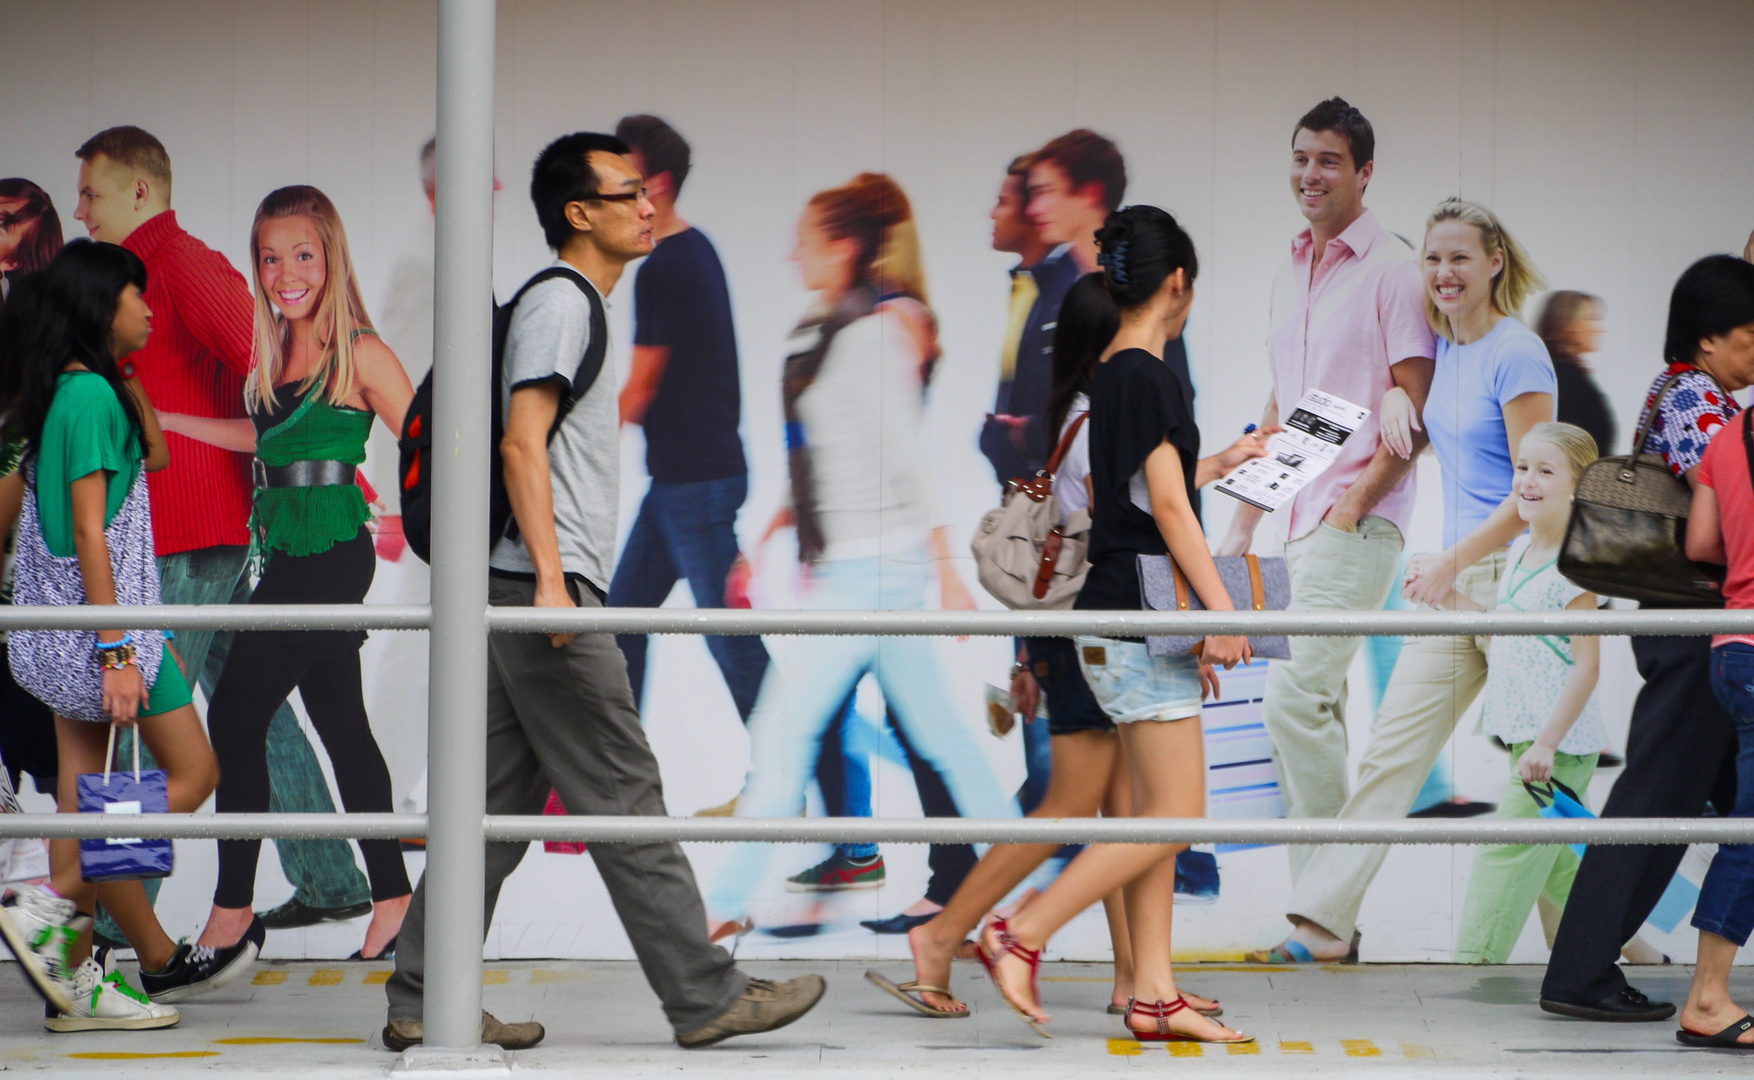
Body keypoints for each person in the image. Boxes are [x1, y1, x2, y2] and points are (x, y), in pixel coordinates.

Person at [384, 132, 824, 1051]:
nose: (647, 205)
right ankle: (705, 997)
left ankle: (421, 999)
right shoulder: (563, 302)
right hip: (544, 592)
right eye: (627, 193)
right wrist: (552, 583)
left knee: (494, 820)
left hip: (527, 585)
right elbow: (520, 442)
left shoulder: (578, 303)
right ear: (579, 213)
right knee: (626, 794)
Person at [873, 271, 1260, 1021]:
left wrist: (1220, 464)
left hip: (1081, 630)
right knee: (1082, 805)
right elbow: (1141, 514)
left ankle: (1137, 979)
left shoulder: (1080, 414)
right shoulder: (1100, 414)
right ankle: (961, 932)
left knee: (1119, 809)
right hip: (1097, 628)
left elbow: (1144, 497)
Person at [71, 127, 372, 941]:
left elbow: (276, 372)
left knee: (131, 722)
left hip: (193, 539)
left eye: (91, 194)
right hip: (196, 533)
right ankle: (331, 877)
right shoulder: (142, 274)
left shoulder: (185, 268)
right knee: (254, 715)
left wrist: (331, 464)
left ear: (139, 192)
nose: (79, 210)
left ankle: (108, 925)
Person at [703, 172, 1015, 932]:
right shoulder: (831, 330)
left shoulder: (876, 333)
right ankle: (1026, 895)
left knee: (784, 740)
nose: (790, 255)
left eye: (804, 242)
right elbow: (826, 455)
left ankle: (718, 911)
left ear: (844, 247)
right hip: (864, 569)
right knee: (944, 743)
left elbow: (907, 457)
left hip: (874, 572)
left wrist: (947, 572)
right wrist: (773, 531)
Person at [1253, 197, 1554, 964]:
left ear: (1494, 262)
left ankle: (1611, 935)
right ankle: (1325, 923)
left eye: (1460, 257)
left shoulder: (1518, 353)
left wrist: (1448, 560)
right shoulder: (1445, 353)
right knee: (1394, 755)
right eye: (1433, 258)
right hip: (1449, 583)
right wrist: (1394, 393)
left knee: (1547, 771)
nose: (1444, 272)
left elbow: (1537, 492)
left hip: (1514, 580)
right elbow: (1407, 407)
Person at [977, 206, 1250, 1044]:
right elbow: (1167, 507)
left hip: (1121, 616)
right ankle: (1021, 932)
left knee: (1147, 815)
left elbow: (1136, 499)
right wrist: (1222, 612)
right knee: (1172, 816)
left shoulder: (1117, 373)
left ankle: (1154, 995)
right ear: (1178, 283)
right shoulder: (1151, 375)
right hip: (1136, 615)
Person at [158, 186, 416, 980]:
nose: (284, 272)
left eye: (301, 254)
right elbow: (266, 438)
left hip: (330, 555)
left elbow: (427, 437)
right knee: (342, 727)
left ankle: (232, 915)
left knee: (234, 717)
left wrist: (410, 518)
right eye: (270, 257)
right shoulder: (277, 348)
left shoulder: (360, 350)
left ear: (330, 256)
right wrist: (171, 422)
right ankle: (395, 902)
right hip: (286, 550)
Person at [1218, 99, 1436, 908]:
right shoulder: (1292, 267)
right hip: (1290, 518)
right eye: (1302, 157)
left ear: (1364, 172)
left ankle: (1323, 910)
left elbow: (1417, 401)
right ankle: (1326, 918)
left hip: (1355, 520)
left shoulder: (1393, 269)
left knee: (1292, 700)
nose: (1311, 174)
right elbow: (1289, 404)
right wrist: (1246, 512)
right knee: (1316, 712)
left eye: (1330, 161)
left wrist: (1355, 504)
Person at [0, 240, 217, 1031]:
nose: (149, 308)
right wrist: (122, 649)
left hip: (70, 637)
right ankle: (50, 908)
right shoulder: (87, 398)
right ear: (102, 306)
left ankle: (75, 985)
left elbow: (151, 460)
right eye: (136, 294)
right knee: (193, 775)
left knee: (84, 806)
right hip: (98, 641)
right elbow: (91, 533)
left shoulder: (72, 393)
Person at [1540, 254, 1754, 1023]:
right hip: (1697, 627)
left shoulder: (1693, 393)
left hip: (1698, 630)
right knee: (1654, 803)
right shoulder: (1698, 401)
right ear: (1707, 339)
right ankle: (1580, 970)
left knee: (1700, 806)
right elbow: (1722, 520)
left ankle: (1591, 965)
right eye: (1748, 335)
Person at [607, 114, 770, 785]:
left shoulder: (668, 266)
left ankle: (795, 786)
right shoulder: (689, 253)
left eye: (625, 178)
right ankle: (615, 785)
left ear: (658, 184)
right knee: (621, 626)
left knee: (731, 647)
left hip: (695, 486)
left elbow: (640, 388)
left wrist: (552, 449)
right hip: (684, 481)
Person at [1451, 423, 1602, 963]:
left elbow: (1587, 668)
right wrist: (1446, 597)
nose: (1529, 481)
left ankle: (1469, 972)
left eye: (1545, 470)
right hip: (1526, 739)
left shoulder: (1574, 568)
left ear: (1579, 484)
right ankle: (1643, 955)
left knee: (1505, 852)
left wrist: (1546, 745)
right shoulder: (1518, 551)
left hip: (1553, 747)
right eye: (1521, 468)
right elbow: (1500, 632)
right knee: (1559, 865)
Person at [1679, 323, 1754, 1046]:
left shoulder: (1727, 438)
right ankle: (1707, 997)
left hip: (1733, 648)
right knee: (1753, 833)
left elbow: (1703, 546)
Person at [0, 180, 65, 806]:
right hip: (56, 621)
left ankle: (95, 903)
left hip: (75, 624)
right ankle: (85, 903)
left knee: (88, 791)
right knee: (80, 789)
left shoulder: (91, 402)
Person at [1536, 291, 1616, 455]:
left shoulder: (1568, 372)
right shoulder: (1564, 377)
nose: (1598, 330)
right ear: (1567, 324)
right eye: (1590, 319)